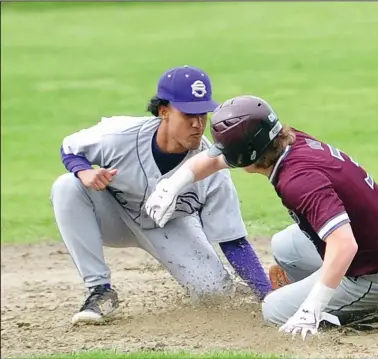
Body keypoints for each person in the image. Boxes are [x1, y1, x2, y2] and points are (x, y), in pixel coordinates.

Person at [146, 95, 378, 340]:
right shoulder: (287, 141)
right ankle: (338, 297)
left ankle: (362, 311)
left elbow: (345, 244)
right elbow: (214, 160)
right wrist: (173, 184)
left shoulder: (298, 181)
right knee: (284, 246)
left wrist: (312, 307)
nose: (222, 156)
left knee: (274, 309)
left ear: (247, 155)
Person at [51, 68, 272, 325]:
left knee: (214, 294)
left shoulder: (212, 166)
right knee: (67, 187)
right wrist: (84, 171)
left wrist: (266, 294)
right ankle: (100, 290)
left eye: (202, 114)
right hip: (115, 216)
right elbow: (70, 147)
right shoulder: (119, 136)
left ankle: (245, 288)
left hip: (172, 226)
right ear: (163, 111)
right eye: (188, 114)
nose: (197, 124)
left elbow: (233, 240)